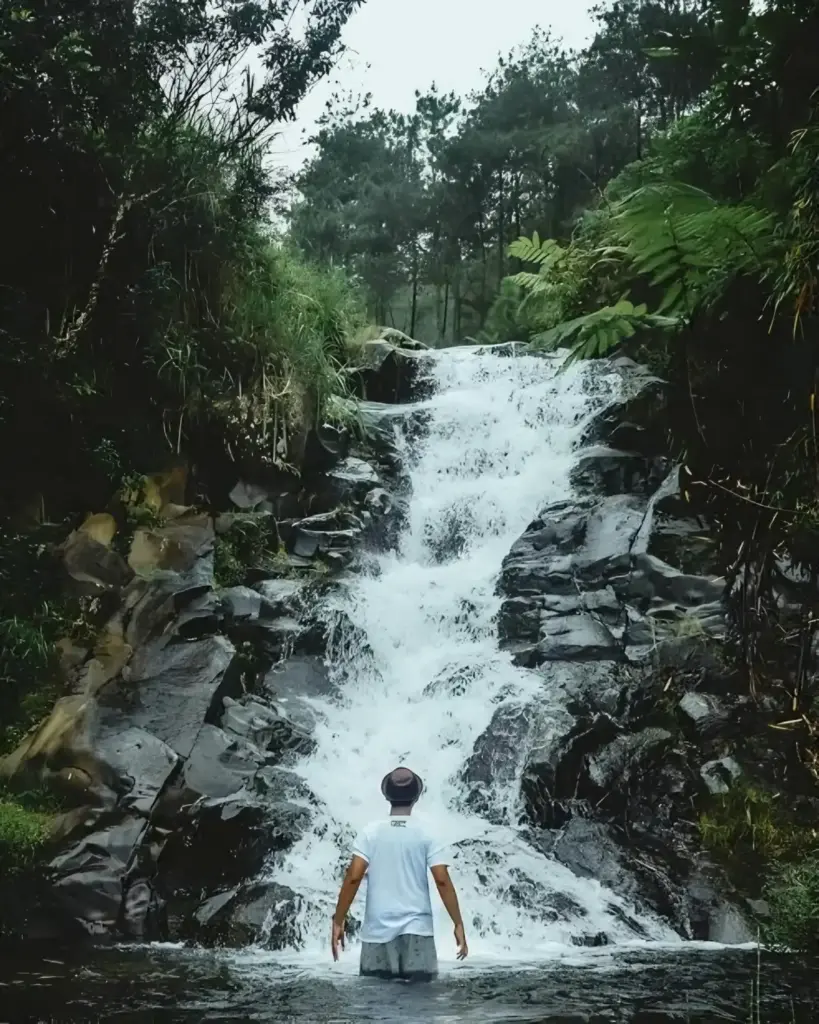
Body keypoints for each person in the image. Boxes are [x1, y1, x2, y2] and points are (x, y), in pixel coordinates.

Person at [330, 766, 468, 980]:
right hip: (418, 929)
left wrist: (338, 920)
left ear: (387, 795)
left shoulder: (371, 832)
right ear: (416, 796)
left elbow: (353, 877)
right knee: (421, 1000)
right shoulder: (427, 832)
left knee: (375, 1002)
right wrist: (458, 923)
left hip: (377, 931)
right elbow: (442, 880)